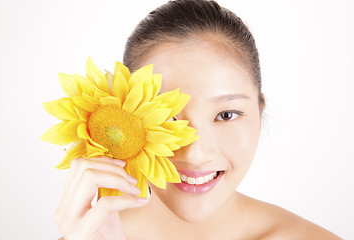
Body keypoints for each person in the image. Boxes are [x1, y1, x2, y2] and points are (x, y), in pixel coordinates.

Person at [54, 0, 342, 239]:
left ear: (259, 111)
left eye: (226, 115)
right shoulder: (90, 233)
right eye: (167, 117)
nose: (195, 153)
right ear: (126, 119)